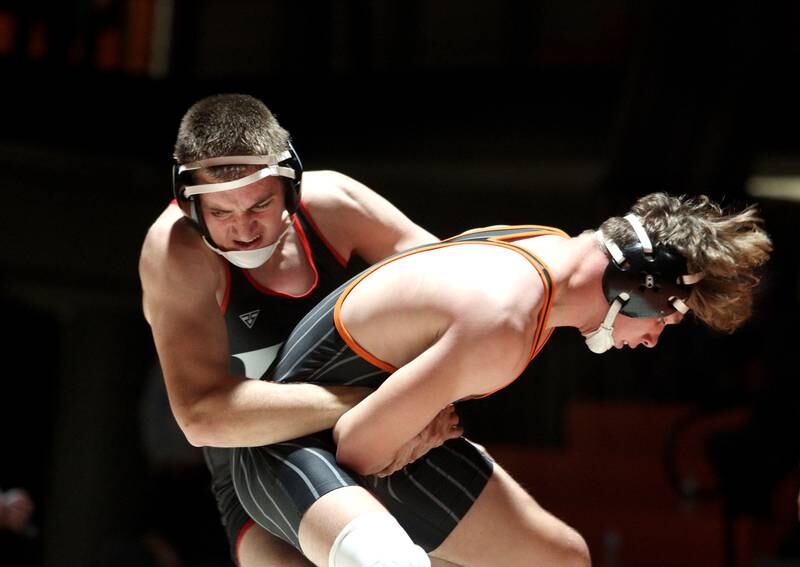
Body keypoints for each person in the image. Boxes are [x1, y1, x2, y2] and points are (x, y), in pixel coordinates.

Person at [233, 192, 771, 566]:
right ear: (636, 289)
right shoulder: (506, 322)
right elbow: (358, 447)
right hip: (289, 451)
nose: (653, 340)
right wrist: (419, 430)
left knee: (559, 558)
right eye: (664, 320)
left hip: (354, 424)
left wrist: (417, 424)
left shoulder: (545, 243)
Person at [139, 93, 465, 567]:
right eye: (221, 213)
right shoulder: (176, 251)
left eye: (258, 205)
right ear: (190, 204)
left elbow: (458, 292)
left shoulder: (333, 203)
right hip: (258, 465)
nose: (244, 230)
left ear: (291, 185)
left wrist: (431, 398)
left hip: (391, 438)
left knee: (557, 555)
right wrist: (393, 403)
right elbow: (201, 415)